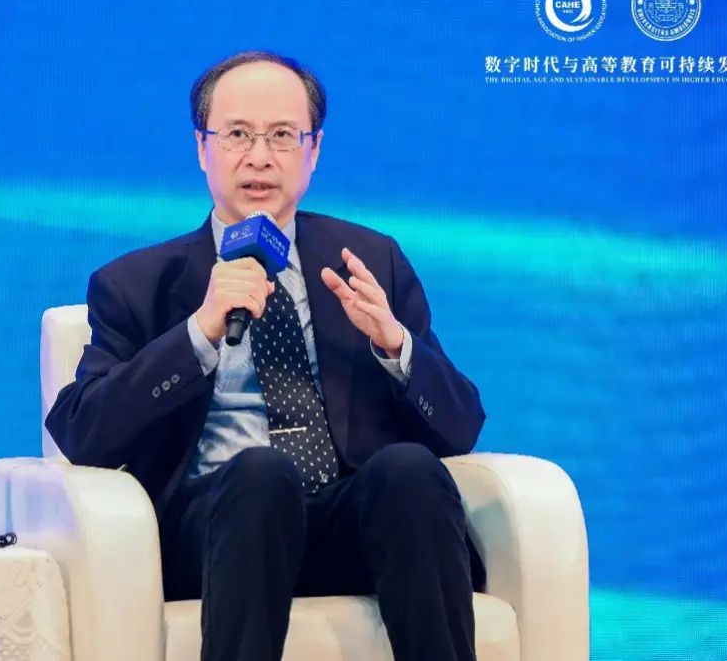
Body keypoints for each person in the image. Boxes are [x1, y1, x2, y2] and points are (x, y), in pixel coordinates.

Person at [45, 50, 486, 661]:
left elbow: (461, 427)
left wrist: (395, 344)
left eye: (282, 136)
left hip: (352, 525)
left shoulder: (369, 261)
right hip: (221, 528)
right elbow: (81, 431)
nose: (259, 157)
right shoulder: (137, 284)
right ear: (202, 148)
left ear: (314, 150)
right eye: (237, 135)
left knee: (409, 469)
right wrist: (198, 331)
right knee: (261, 474)